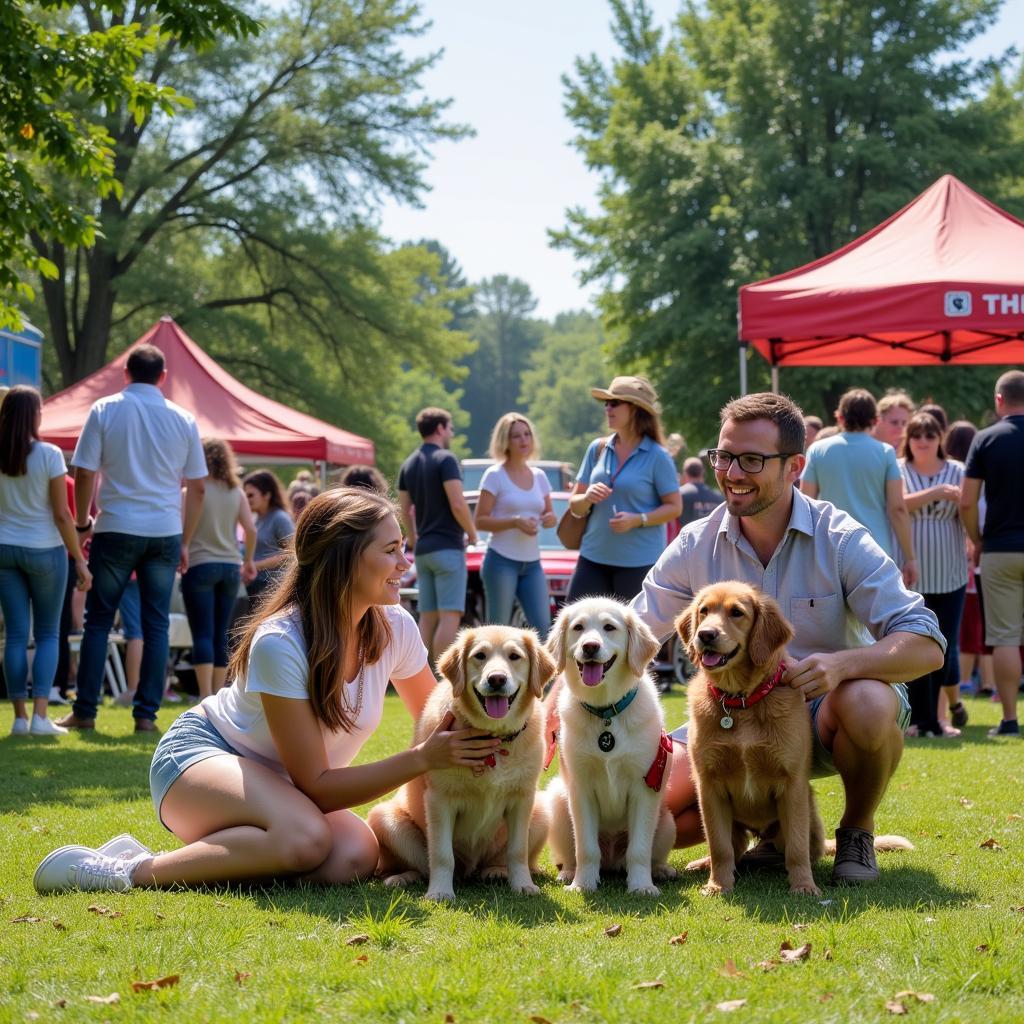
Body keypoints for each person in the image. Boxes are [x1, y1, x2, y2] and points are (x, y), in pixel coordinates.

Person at [33, 487, 502, 893]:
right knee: (306, 841)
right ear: (343, 557)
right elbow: (317, 785)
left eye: (403, 548)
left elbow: (440, 716)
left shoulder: (394, 626)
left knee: (356, 855)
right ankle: (126, 871)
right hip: (198, 758)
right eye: (391, 550)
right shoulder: (281, 641)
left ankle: (228, 856)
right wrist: (422, 758)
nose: (404, 563)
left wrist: (519, 729)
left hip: (286, 791)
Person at [631, 392, 944, 883]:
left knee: (869, 702)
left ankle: (856, 832)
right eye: (724, 456)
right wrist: (555, 699)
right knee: (660, 810)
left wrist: (844, 665)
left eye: (752, 460)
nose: (732, 472)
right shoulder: (695, 542)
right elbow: (631, 633)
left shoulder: (840, 538)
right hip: (726, 714)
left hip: (820, 715)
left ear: (795, 465)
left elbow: (927, 642)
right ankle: (765, 843)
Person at [57, 345, 207, 734]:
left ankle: (85, 711)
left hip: (116, 526)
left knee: (99, 621)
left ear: (125, 373)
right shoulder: (184, 419)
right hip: (164, 531)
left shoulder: (105, 410)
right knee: (156, 625)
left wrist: (82, 520)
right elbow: (198, 487)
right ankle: (146, 716)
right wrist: (186, 540)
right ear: (163, 376)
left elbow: (85, 470)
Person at [0, 387, 92, 735]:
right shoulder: (49, 454)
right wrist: (80, 560)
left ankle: (19, 719)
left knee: (15, 635)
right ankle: (41, 717)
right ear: (35, 415)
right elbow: (61, 515)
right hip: (45, 551)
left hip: (4, 550)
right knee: (48, 633)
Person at [565, 376, 681, 602]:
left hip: (639, 563)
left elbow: (675, 507)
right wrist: (587, 497)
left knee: (632, 636)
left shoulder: (658, 456)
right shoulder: (597, 448)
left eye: (614, 402)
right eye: (606, 403)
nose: (608, 408)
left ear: (636, 409)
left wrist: (638, 519)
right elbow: (574, 504)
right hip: (592, 557)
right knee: (574, 631)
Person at [960, 370, 1024, 737]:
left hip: (1000, 548)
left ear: (999, 400)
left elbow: (967, 500)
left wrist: (976, 539)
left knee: (1004, 636)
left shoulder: (985, 439)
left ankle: (1010, 719)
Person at [801, 387, 917, 587]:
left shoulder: (817, 450)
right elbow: (897, 509)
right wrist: (910, 558)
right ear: (875, 420)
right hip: (875, 550)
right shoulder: (885, 452)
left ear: (839, 417)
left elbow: (805, 504)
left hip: (829, 547)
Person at [899, 413, 968, 737]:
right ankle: (916, 719)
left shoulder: (958, 470)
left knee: (944, 645)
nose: (923, 440)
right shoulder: (899, 469)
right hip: (911, 569)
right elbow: (896, 505)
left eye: (929, 434)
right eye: (916, 434)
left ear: (940, 437)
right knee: (913, 641)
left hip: (950, 569)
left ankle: (937, 719)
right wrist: (937, 493)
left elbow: (969, 509)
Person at [398, 407, 477, 665]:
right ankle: (442, 677)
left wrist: (413, 539)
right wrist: (472, 533)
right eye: (450, 427)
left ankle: (416, 673)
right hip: (448, 548)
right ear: (441, 428)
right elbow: (457, 503)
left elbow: (403, 509)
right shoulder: (446, 459)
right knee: (450, 616)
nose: (451, 432)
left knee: (428, 617)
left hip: (423, 551)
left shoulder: (408, 464)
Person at [180, 439, 257, 700]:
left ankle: (203, 694)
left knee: (201, 631)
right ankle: (217, 695)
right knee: (221, 632)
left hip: (200, 563)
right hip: (230, 568)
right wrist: (247, 561)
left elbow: (182, 528)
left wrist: (185, 545)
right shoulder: (236, 492)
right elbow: (251, 529)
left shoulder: (191, 491)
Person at [474, 413, 557, 636]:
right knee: (497, 631)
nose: (524, 440)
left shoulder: (540, 476)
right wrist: (514, 522)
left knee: (543, 630)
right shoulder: (494, 475)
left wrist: (550, 519)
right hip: (500, 562)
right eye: (516, 436)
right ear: (505, 442)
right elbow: (479, 520)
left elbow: (550, 517)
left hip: (532, 565)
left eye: (527, 434)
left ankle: (543, 672)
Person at [945, 421, 995, 701]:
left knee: (963, 630)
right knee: (987, 628)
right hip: (978, 561)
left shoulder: (950, 475)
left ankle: (965, 680)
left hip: (958, 562)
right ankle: (987, 681)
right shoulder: (981, 480)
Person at [243, 469, 294, 606]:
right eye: (245, 495)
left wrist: (256, 565)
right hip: (255, 586)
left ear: (267, 495)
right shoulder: (256, 518)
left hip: (273, 589)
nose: (247, 500)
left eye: (251, 495)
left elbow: (291, 554)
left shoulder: (280, 518)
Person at [678, 456, 720, 528]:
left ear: (685, 473)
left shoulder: (679, 495)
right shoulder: (718, 497)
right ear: (702, 472)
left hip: (687, 537)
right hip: (713, 538)